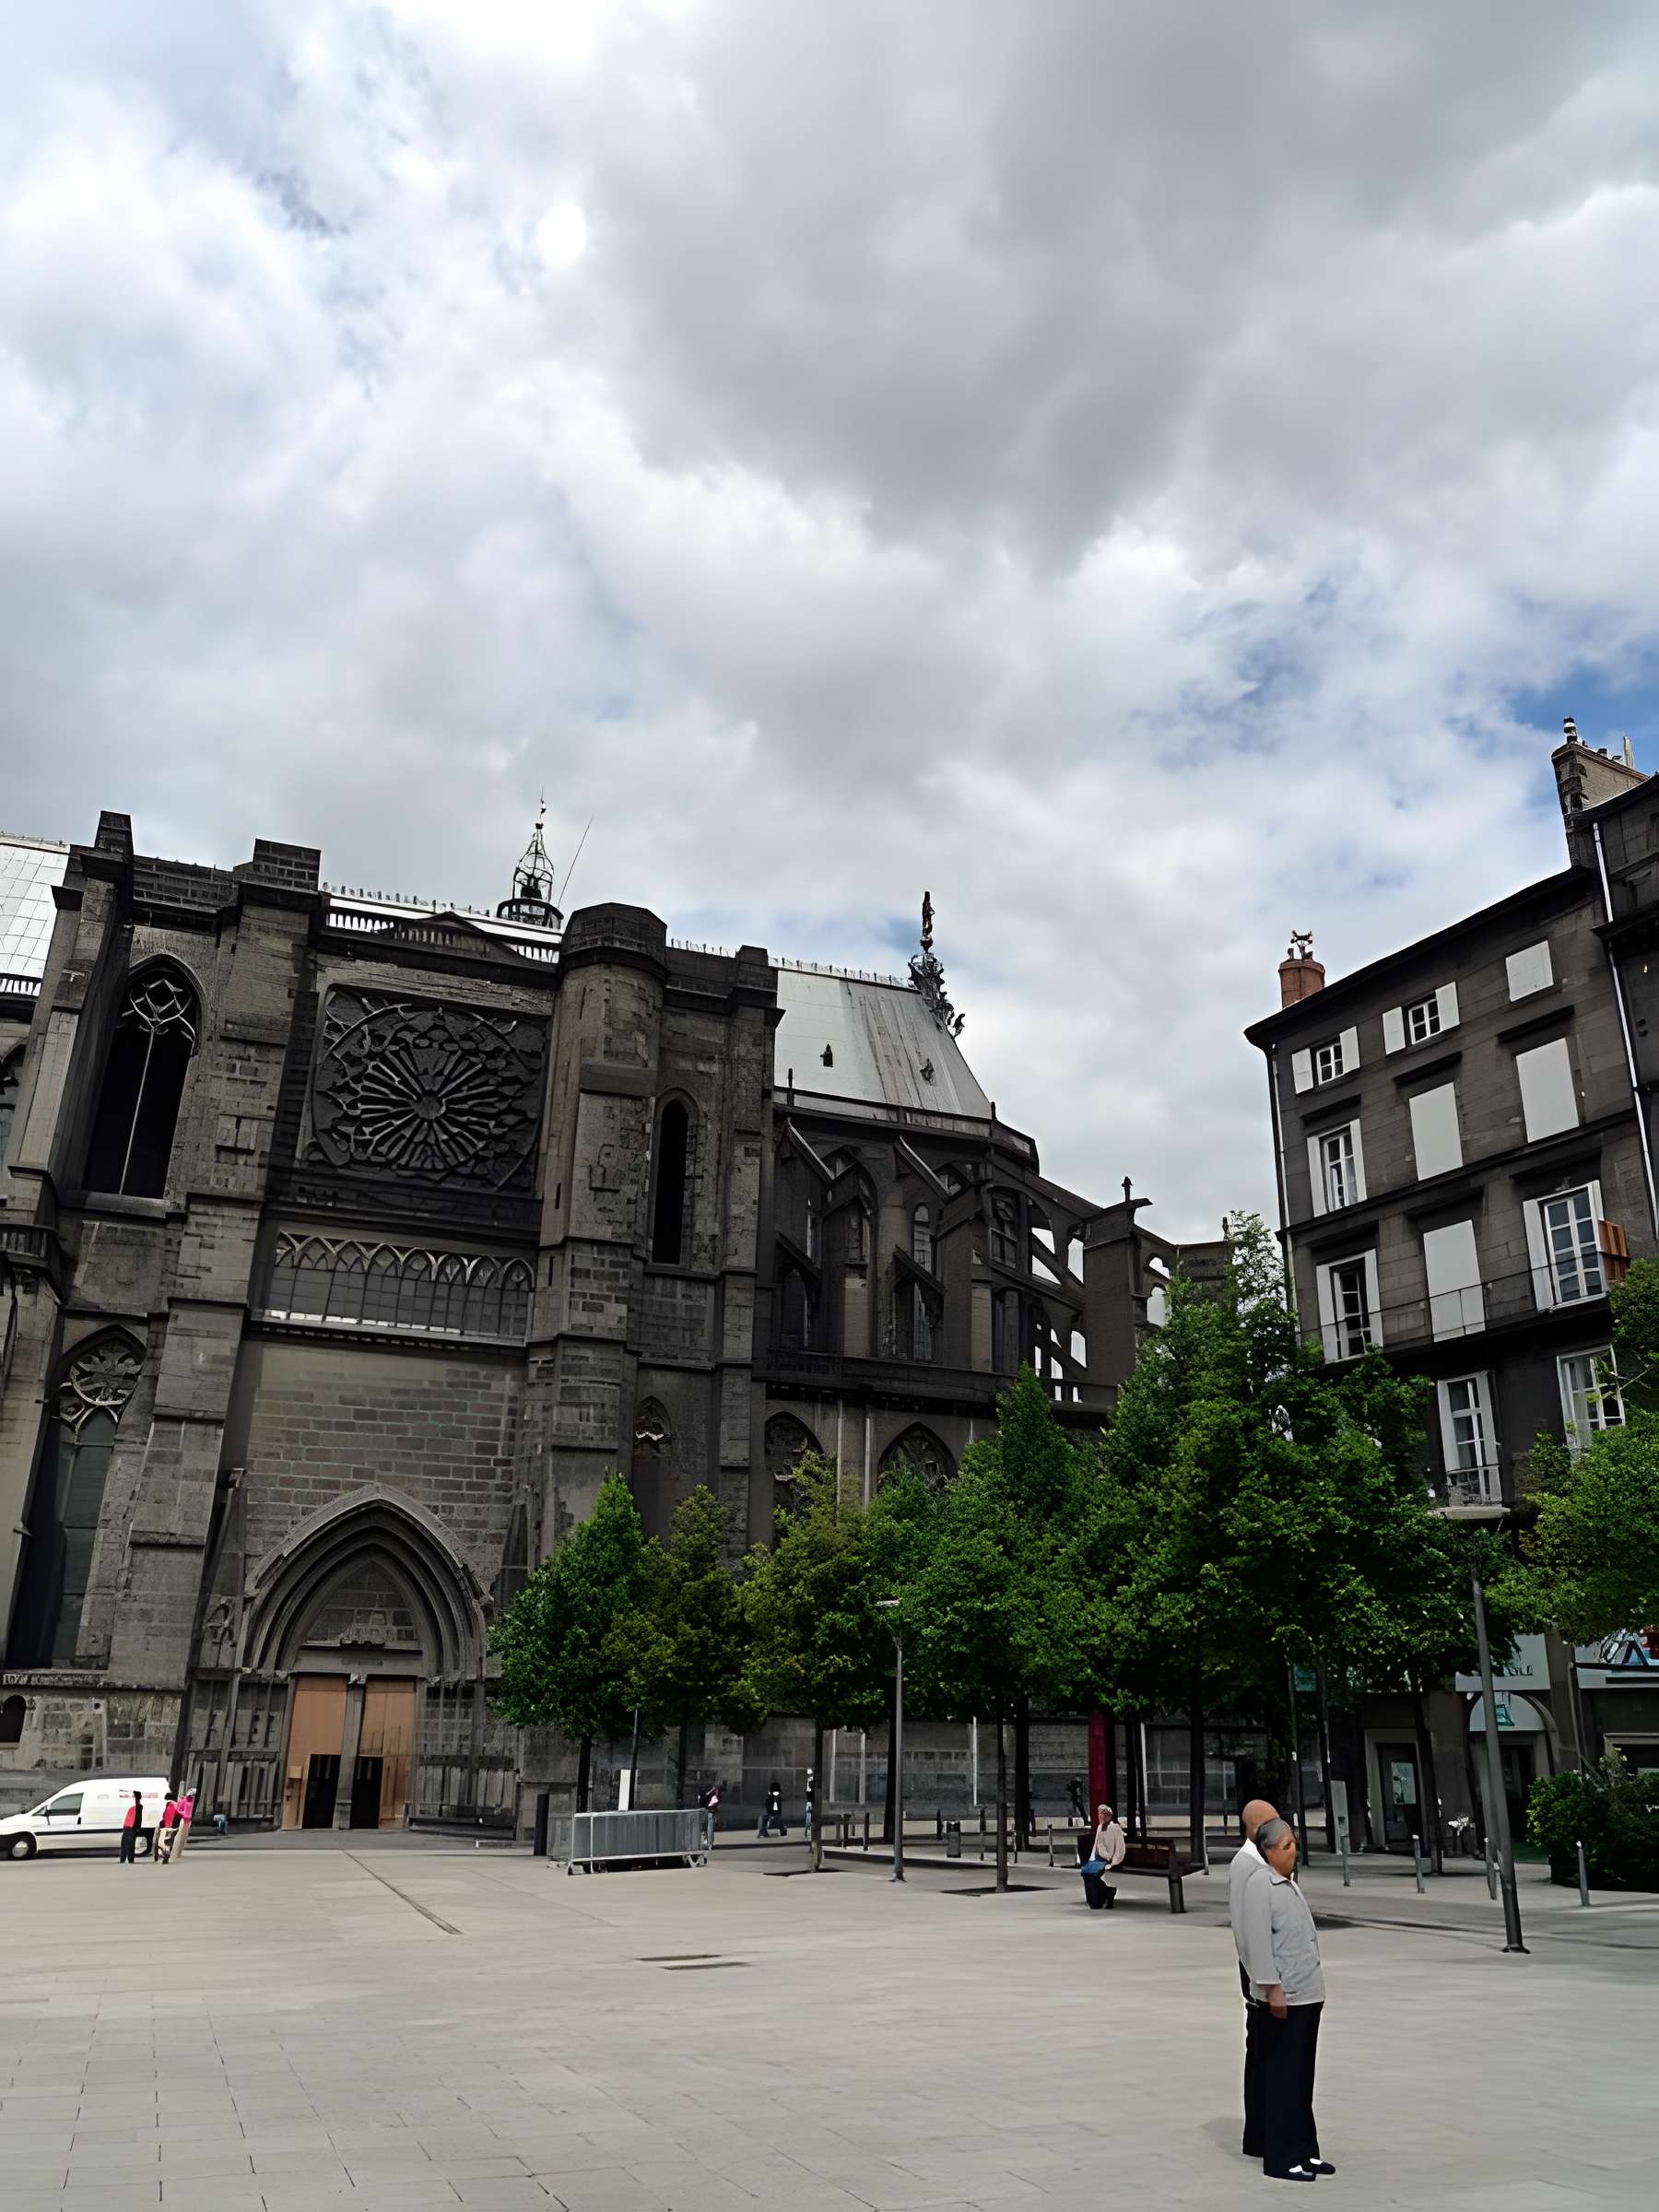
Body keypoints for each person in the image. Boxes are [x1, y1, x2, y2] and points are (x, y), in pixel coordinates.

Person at [1239, 1818, 1335, 2183]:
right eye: (1286, 1846)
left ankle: (1305, 2151)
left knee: (1301, 2078)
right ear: (1267, 1851)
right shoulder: (1260, 1885)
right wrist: (1271, 1988)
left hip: (1308, 1994)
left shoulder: (1287, 1885)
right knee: (1282, 2079)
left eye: (1294, 1844)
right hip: (1285, 1999)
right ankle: (1281, 2157)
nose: (1293, 1851)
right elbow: (1256, 1942)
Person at [1230, 1797, 1278, 2159]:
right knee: (1261, 2052)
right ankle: (1259, 2135)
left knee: (1270, 2054)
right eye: (1268, 1823)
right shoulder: (1245, 1864)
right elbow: (1245, 1928)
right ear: (1251, 1828)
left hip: (1273, 1970)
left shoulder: (1266, 1858)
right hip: (1260, 1976)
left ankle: (1266, 2130)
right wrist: (1259, 1981)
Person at [1078, 1801, 1126, 1910]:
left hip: (1109, 1860)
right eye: (1100, 1814)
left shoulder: (1115, 1828)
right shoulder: (1100, 1827)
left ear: (1109, 1816)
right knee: (1086, 1873)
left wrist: (1113, 1863)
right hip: (1098, 1860)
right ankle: (1095, 1900)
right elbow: (1096, 1845)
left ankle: (1105, 1895)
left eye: (1103, 1814)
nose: (1101, 1817)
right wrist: (1091, 1859)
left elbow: (1120, 1848)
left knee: (1096, 1876)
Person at [118, 1790, 144, 1865]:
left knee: (127, 1843)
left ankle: (125, 1859)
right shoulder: (137, 1806)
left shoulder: (138, 1806)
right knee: (129, 1843)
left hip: (129, 1826)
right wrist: (138, 1827)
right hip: (129, 1826)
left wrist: (137, 1827)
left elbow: (138, 1818)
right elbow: (139, 1818)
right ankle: (128, 1859)